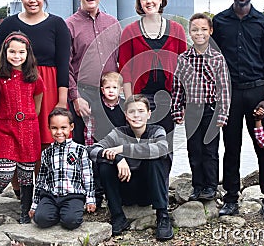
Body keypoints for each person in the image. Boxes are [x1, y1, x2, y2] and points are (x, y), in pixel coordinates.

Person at [0, 0, 71, 194]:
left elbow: (64, 64)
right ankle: (21, 192)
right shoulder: (8, 24)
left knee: (46, 138)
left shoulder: (57, 24)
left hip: (48, 85)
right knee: (16, 136)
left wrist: (62, 99)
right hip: (14, 88)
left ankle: (45, 189)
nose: (32, 0)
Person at [212, 0, 264, 222]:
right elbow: (213, 59)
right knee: (231, 147)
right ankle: (230, 198)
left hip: (257, 93)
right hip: (229, 95)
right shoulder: (219, 22)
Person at [119, 0, 187, 166]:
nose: (148, 1)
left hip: (168, 98)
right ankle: (141, 191)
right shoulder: (130, 31)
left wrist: (182, 102)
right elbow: (125, 69)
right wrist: (130, 102)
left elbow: (184, 69)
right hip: (141, 97)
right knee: (140, 146)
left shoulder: (177, 30)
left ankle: (162, 190)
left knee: (165, 146)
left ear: (161, 0)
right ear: (139, 3)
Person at [87, 95, 173, 241]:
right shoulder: (118, 133)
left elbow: (161, 148)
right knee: (104, 163)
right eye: (132, 111)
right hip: (126, 189)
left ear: (149, 114)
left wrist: (123, 149)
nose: (136, 115)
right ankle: (118, 216)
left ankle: (163, 216)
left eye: (141, 111)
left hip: (149, 191)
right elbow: (91, 150)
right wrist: (118, 158)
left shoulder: (157, 130)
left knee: (155, 159)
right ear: (126, 115)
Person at [0, 32, 45, 226]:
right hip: (7, 131)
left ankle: (25, 213)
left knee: (26, 174)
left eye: (21, 52)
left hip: (29, 131)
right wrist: (9, 121)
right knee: (6, 174)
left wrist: (25, 120)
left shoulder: (34, 78)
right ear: (5, 52)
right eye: (12, 52)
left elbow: (37, 107)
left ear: (28, 54)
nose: (17, 56)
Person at [171, 13, 231, 201]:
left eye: (204, 29)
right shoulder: (184, 58)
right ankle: (197, 185)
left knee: (210, 150)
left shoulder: (217, 58)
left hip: (211, 111)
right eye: (195, 30)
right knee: (194, 149)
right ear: (190, 33)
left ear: (210, 31)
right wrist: (176, 109)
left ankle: (211, 186)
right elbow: (177, 86)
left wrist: (222, 115)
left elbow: (224, 88)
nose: (199, 33)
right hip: (191, 110)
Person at [66, 0, 121, 146]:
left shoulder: (113, 23)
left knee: (110, 143)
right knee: (81, 144)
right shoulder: (69, 25)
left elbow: (122, 59)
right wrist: (75, 98)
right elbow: (65, 66)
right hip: (83, 95)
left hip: (110, 93)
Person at [29, 107, 96, 230]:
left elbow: (87, 176)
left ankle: (67, 213)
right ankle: (54, 212)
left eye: (63, 128)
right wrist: (34, 205)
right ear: (49, 128)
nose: (59, 132)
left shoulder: (80, 150)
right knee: (41, 220)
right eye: (54, 128)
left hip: (73, 195)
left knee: (71, 221)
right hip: (50, 195)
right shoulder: (47, 153)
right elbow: (40, 180)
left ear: (71, 127)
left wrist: (90, 199)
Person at [90, 71, 126, 208]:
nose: (111, 91)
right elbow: (90, 126)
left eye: (114, 88)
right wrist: (92, 144)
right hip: (100, 143)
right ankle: (98, 196)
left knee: (116, 168)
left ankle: (118, 195)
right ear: (102, 90)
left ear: (121, 90)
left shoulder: (124, 106)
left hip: (118, 145)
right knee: (97, 169)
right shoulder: (96, 105)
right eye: (107, 88)